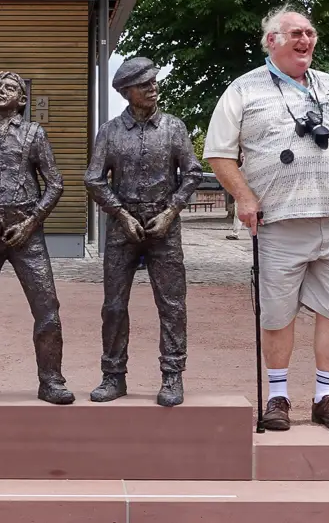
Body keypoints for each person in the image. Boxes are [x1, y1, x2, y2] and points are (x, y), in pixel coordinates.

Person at [203, 5, 329, 431]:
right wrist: (244, 196)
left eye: (310, 33)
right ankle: (278, 396)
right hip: (279, 223)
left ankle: (325, 397)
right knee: (278, 314)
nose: (306, 41)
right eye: (296, 34)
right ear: (272, 41)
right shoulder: (243, 90)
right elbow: (218, 152)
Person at [0, 71, 74, 406]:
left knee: (47, 307)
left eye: (10, 88)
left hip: (26, 233)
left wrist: (31, 222)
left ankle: (51, 381)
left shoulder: (35, 134)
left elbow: (55, 183)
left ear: (22, 100)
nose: (0, 90)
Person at [84, 56, 202, 407]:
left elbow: (192, 173)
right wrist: (120, 215)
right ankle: (113, 375)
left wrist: (171, 212)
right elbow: (93, 178)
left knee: (172, 304)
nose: (153, 88)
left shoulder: (174, 128)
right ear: (126, 92)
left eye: (154, 82)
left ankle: (172, 375)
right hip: (123, 229)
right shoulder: (110, 132)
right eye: (144, 84)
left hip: (163, 227)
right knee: (114, 306)